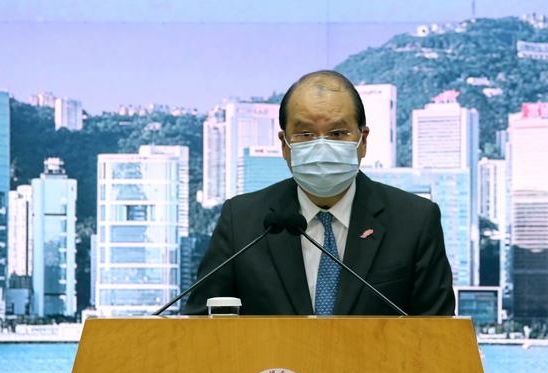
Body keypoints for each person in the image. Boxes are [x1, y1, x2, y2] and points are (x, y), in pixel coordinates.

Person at [183, 70, 455, 315]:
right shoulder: (243, 221)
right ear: (284, 145)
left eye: (337, 133)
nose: (322, 146)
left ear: (363, 141)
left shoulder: (414, 221)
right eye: (305, 135)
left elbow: (438, 337)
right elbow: (200, 328)